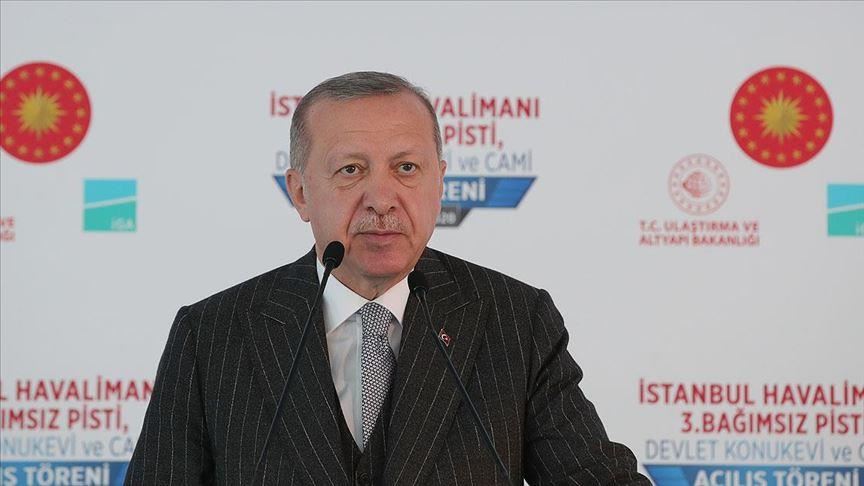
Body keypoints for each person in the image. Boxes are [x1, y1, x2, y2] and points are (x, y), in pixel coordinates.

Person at [125, 72, 650, 485]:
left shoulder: (515, 321)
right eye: (351, 170)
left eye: (406, 168)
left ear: (439, 182)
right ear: (301, 193)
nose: (381, 199)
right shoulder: (212, 335)